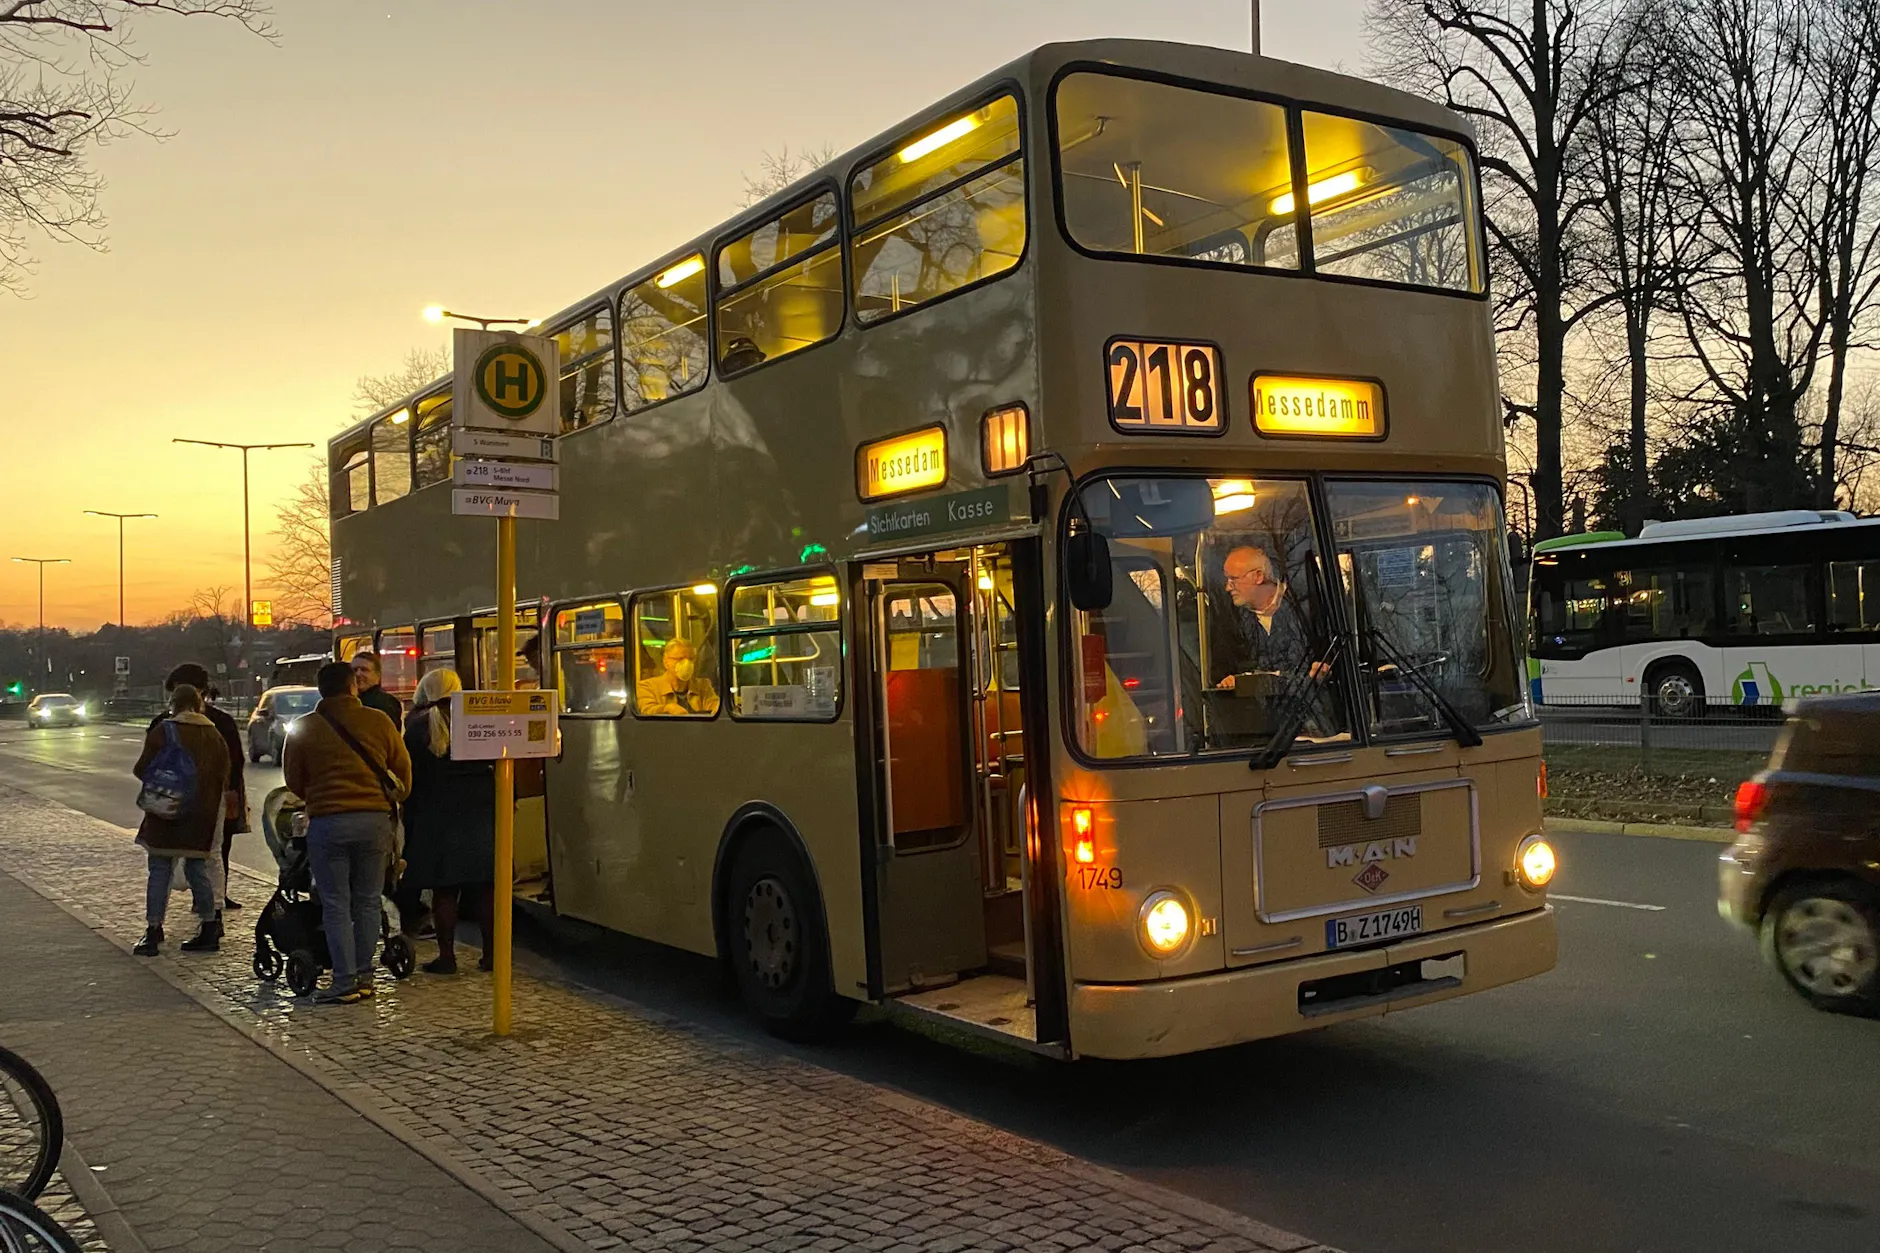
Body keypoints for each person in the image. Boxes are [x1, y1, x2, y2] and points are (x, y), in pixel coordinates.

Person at [283, 661, 412, 1004]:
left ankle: (344, 981)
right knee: (369, 901)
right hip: (373, 821)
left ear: (321, 690)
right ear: (353, 686)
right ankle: (366, 977)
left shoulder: (304, 727)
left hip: (328, 822)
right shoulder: (380, 721)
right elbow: (403, 770)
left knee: (336, 903)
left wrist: (317, 795)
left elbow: (293, 780)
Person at [400, 668, 496, 975]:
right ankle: (493, 955)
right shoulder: (476, 719)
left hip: (436, 814)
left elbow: (409, 773)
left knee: (444, 891)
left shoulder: (416, 725)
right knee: (483, 889)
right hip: (479, 810)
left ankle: (447, 957)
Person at [131, 684, 232, 956]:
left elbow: (141, 768)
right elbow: (224, 775)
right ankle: (209, 926)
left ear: (172, 704)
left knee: (160, 870)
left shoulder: (164, 730)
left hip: (166, 812)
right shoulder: (214, 734)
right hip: (200, 815)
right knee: (197, 869)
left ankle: (153, 931)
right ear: (199, 704)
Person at [149, 664, 247, 912]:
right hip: (212, 799)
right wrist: (230, 791)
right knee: (214, 853)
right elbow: (234, 760)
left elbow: (146, 766)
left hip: (170, 799)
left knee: (163, 860)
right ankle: (212, 906)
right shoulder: (220, 723)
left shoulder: (162, 724)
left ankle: (155, 924)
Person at [1212, 545, 1313, 687]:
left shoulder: (1305, 607)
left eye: (1233, 579)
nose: (1228, 588)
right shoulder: (1231, 620)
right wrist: (1229, 681)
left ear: (1258, 577)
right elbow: (1221, 670)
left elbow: (1323, 667)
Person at [636, 637, 719, 716]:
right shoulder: (647, 687)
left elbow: (714, 704)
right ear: (666, 662)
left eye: (691, 659)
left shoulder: (703, 686)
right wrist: (667, 709)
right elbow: (647, 710)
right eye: (680, 659)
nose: (687, 664)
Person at [350, 650, 405, 729]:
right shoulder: (350, 700)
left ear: (377, 675)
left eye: (364, 670)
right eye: (354, 670)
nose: (358, 674)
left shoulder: (385, 702)